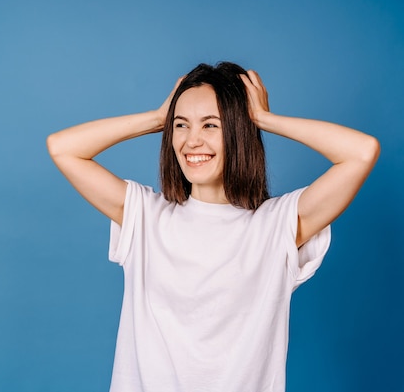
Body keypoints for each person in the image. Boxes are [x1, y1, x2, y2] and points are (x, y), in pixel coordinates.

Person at [46, 62, 379, 392]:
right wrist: (158, 117)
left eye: (210, 125)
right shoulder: (144, 216)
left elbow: (361, 153)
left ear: (238, 131)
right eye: (181, 125)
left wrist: (264, 119)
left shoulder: (276, 226)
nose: (192, 141)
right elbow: (63, 148)